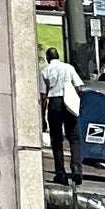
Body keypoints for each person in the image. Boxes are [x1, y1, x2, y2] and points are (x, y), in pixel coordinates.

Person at [40, 45, 84, 183]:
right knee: (74, 138)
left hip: (54, 103)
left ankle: (61, 174)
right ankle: (76, 168)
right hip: (68, 102)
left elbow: (43, 95)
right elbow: (79, 86)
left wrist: (42, 116)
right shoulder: (69, 68)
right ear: (58, 56)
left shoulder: (45, 71)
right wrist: (75, 99)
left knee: (56, 139)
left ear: (48, 58)